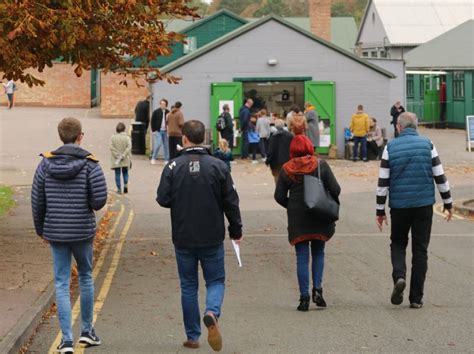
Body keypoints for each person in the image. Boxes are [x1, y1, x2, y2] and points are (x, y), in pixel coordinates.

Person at [157, 120, 242, 352]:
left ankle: (192, 336)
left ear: (184, 138)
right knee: (215, 280)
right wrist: (236, 230)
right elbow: (231, 202)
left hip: (183, 234)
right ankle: (212, 312)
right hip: (212, 234)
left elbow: (163, 199)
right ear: (203, 138)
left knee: (188, 285)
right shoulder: (218, 166)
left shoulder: (173, 166)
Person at [31, 117, 107, 353]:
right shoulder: (90, 164)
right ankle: (87, 332)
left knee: (62, 283)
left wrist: (41, 230)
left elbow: (37, 201)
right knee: (85, 277)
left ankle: (66, 341)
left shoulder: (45, 165)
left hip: (56, 232)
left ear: (60, 136)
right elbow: (99, 200)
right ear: (80, 136)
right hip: (82, 231)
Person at [376, 112, 453, 309]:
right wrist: (448, 203)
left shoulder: (390, 147)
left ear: (398, 128)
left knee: (398, 243)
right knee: (420, 250)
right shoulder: (428, 145)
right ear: (416, 127)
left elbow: (383, 182)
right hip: (424, 205)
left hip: (400, 206)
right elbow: (440, 177)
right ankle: (416, 298)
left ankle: (399, 276)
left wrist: (380, 210)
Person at [274, 135, 340, 312]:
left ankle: (304, 298)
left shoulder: (287, 169)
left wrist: (292, 206)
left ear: (292, 150)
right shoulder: (320, 165)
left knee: (302, 257)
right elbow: (336, 189)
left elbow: (279, 196)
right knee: (318, 253)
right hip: (319, 214)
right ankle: (318, 290)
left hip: (298, 218)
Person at [266, 119, 293, 184]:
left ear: (275, 126)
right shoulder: (290, 136)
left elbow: (270, 150)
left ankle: (279, 191)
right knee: (287, 176)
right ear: (283, 125)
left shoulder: (273, 137)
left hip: (275, 162)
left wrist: (268, 160)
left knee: (277, 177)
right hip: (287, 160)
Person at [110, 122, 132, 194]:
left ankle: (119, 189)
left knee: (117, 174)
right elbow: (129, 147)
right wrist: (123, 155)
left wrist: (117, 155)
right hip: (125, 159)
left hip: (116, 159)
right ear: (124, 129)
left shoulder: (113, 137)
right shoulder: (127, 138)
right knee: (125, 173)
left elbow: (111, 147)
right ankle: (125, 185)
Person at [150, 98, 170, 164]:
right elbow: (152, 121)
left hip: (165, 131)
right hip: (158, 131)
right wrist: (153, 130)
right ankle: (153, 158)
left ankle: (166, 159)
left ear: (166, 105)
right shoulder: (156, 112)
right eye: (161, 104)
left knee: (166, 145)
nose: (162, 105)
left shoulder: (168, 112)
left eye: (164, 104)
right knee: (158, 144)